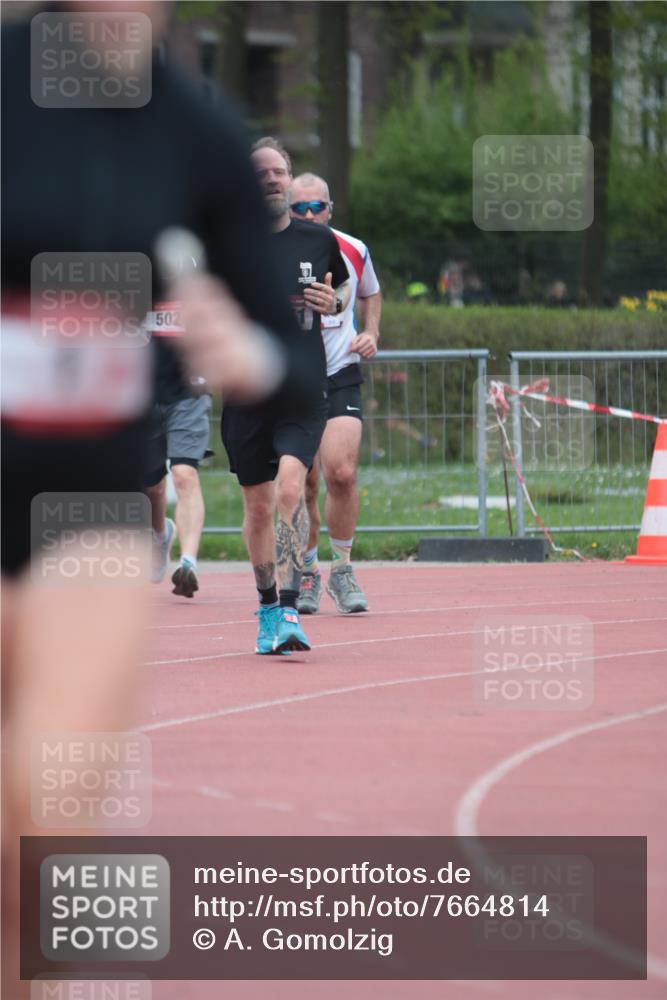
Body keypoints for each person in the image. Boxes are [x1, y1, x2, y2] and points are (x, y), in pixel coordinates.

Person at [1, 11, 320, 997]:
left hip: (86, 512)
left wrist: (249, 353)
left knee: (45, 813)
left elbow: (284, 352)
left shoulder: (192, 129)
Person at [221, 139, 350, 654]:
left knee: (293, 490)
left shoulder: (318, 241)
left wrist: (330, 299)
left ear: (289, 179)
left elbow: (342, 292)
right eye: (259, 174)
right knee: (258, 507)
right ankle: (268, 606)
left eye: (278, 172)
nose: (270, 180)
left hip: (301, 389)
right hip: (246, 392)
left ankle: (293, 607)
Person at [289, 173, 382, 614]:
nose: (309, 216)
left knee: (341, 472)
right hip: (292, 376)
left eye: (316, 208)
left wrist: (372, 333)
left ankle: (342, 570)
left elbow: (371, 293)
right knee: (304, 483)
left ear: (330, 208)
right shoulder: (273, 248)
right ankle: (306, 572)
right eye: (299, 208)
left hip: (340, 369)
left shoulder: (353, 247)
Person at [144, 290, 211, 599]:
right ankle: (160, 533)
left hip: (190, 391)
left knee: (185, 473)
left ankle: (188, 563)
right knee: (152, 486)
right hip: (144, 388)